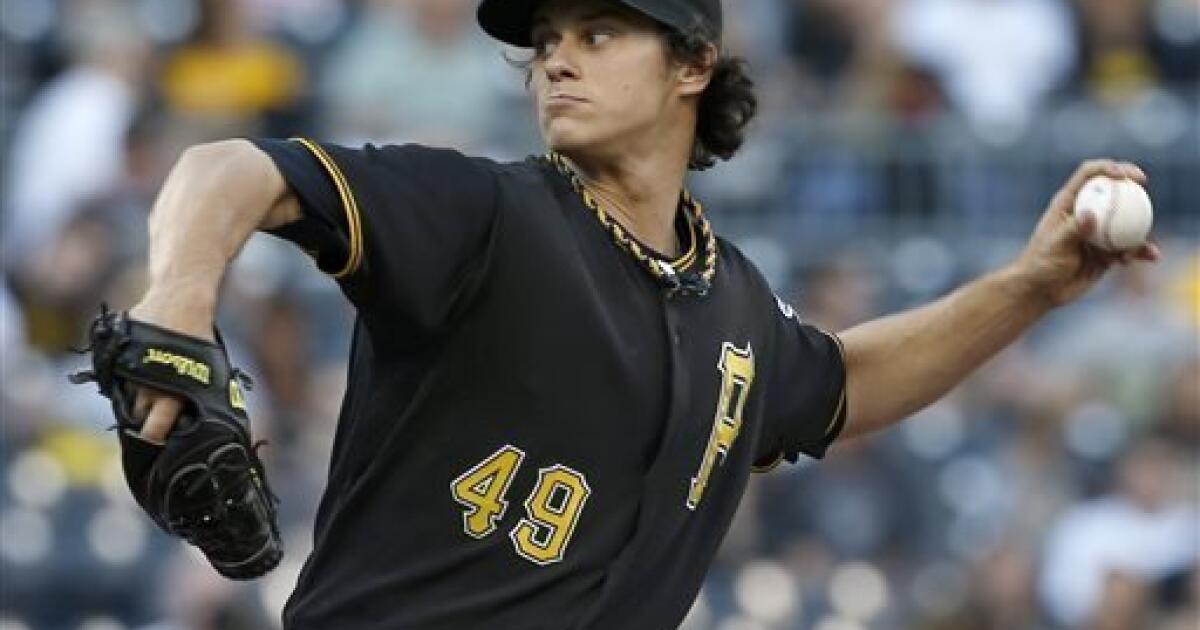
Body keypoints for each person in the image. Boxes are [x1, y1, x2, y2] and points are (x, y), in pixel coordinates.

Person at [120, 0, 1159, 627]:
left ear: (693, 63)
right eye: (547, 39)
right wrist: (178, 295)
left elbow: (843, 384)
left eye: (600, 30)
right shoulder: (485, 211)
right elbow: (230, 168)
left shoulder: (735, 302)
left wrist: (1030, 286)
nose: (556, 58)